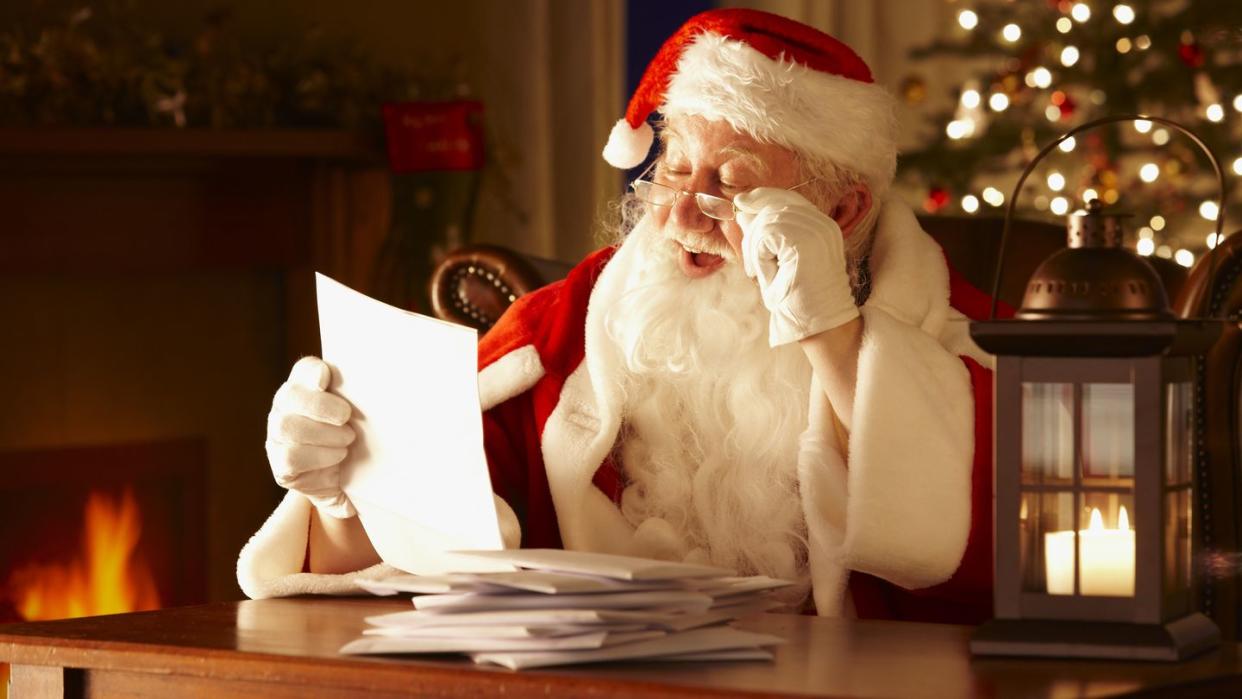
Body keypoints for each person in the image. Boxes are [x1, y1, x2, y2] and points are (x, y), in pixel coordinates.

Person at [238, 8, 997, 622]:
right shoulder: (567, 326)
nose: (684, 215)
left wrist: (832, 333)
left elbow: (1004, 560)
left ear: (843, 208)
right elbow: (420, 539)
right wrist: (340, 490)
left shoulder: (965, 338)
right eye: (672, 172)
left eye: (731, 186)